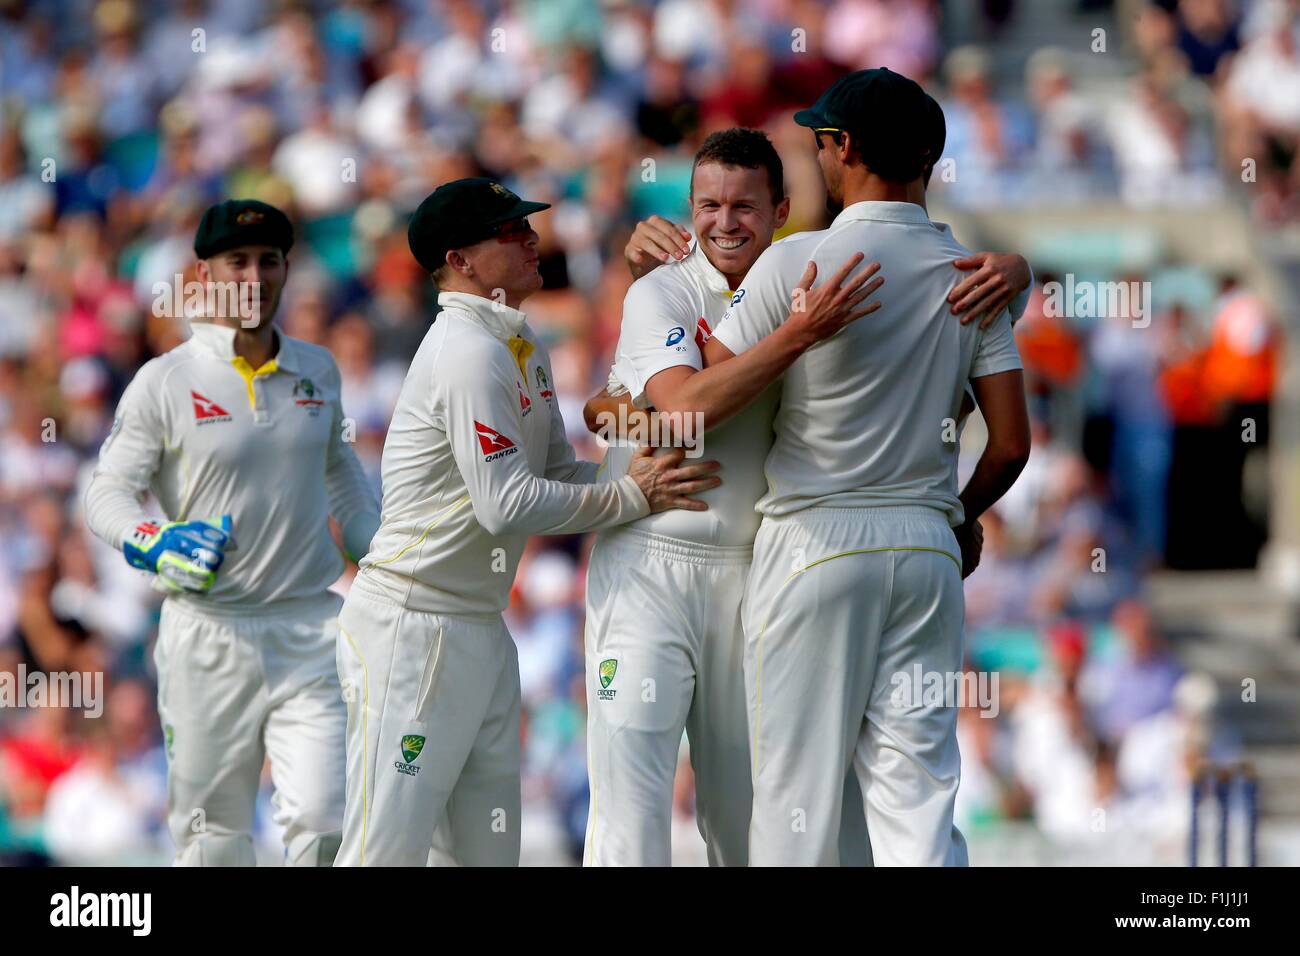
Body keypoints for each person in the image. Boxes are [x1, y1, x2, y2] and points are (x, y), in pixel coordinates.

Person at [581, 119, 1032, 865]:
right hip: (652, 565)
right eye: (709, 206)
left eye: (745, 207)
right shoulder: (663, 287)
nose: (724, 223)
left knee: (750, 813)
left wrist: (1017, 272)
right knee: (630, 809)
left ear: (782, 211)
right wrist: (622, 416)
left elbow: (918, 385)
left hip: (755, 569)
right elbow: (663, 408)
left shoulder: (809, 274)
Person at [334, 178, 720, 867]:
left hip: (479, 627)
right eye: (509, 231)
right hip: (411, 627)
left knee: (487, 854)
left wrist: (637, 484)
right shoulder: (467, 351)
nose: (531, 238)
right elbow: (507, 502)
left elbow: (557, 477)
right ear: (461, 261)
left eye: (526, 225)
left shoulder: (517, 344)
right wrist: (631, 496)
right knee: (382, 852)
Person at [706, 68, 1031, 866]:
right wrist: (956, 514)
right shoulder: (975, 274)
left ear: (843, 147)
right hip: (923, 546)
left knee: (794, 803)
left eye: (821, 142)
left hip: (815, 544)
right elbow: (1013, 443)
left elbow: (702, 392)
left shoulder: (797, 264)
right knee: (918, 798)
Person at [84, 199, 381, 865]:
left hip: (311, 627)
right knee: (213, 838)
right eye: (236, 262)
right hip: (208, 632)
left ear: (285, 270)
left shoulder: (318, 369)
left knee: (325, 819)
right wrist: (153, 539)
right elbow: (105, 493)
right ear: (204, 274)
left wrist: (378, 551)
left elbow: (341, 473)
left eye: (268, 261)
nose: (253, 276)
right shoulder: (165, 382)